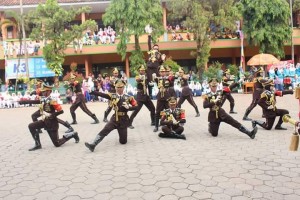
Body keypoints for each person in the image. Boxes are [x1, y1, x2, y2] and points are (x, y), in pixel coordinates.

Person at [21, 83, 79, 151]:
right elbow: (34, 101)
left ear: (49, 92)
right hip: (44, 121)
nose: (43, 93)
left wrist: (52, 115)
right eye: (43, 91)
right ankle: (37, 144)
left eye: (45, 91)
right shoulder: (43, 99)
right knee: (31, 126)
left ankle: (73, 134)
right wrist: (22, 102)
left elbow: (61, 111)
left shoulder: (52, 100)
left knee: (57, 143)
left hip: (52, 124)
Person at [85, 80, 138, 152]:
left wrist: (129, 108)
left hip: (124, 120)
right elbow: (102, 94)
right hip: (114, 118)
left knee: (123, 141)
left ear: (124, 87)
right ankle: (93, 144)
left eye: (121, 87)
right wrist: (92, 91)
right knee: (105, 129)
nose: (119, 89)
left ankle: (121, 136)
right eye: (118, 87)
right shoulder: (112, 96)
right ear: (115, 87)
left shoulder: (129, 97)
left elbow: (136, 106)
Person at [153, 65, 174, 132]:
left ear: (165, 72)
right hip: (160, 97)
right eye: (161, 71)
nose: (162, 73)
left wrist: (170, 77)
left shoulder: (168, 78)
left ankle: (170, 126)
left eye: (164, 71)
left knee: (168, 112)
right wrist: (153, 76)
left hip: (167, 97)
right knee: (157, 112)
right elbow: (154, 78)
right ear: (159, 72)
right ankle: (156, 126)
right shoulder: (158, 79)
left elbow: (171, 83)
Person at [146, 34, 166, 98]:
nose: (156, 49)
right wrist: (149, 36)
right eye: (155, 48)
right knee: (149, 82)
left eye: (157, 48)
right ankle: (150, 95)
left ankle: (160, 93)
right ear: (153, 48)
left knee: (159, 81)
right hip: (150, 69)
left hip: (156, 69)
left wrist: (163, 60)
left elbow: (161, 63)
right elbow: (149, 44)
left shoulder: (159, 55)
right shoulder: (150, 53)